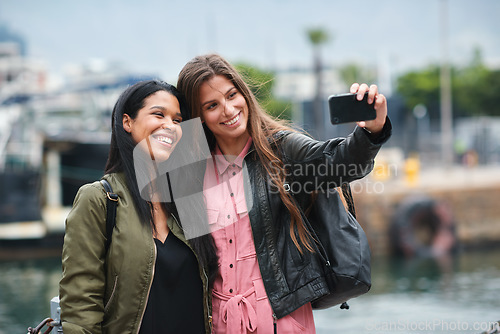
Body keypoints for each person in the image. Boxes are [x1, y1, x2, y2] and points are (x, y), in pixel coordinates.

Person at [177, 54, 392, 333]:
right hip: (217, 321)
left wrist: (372, 129)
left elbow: (339, 161)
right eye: (212, 105)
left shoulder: (282, 149)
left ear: (244, 93)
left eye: (232, 95)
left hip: (280, 318)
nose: (228, 110)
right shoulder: (191, 169)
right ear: (199, 117)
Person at [59, 80, 217, 334]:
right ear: (127, 122)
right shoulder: (99, 199)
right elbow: (80, 307)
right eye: (158, 114)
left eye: (178, 120)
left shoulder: (189, 200)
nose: (170, 126)